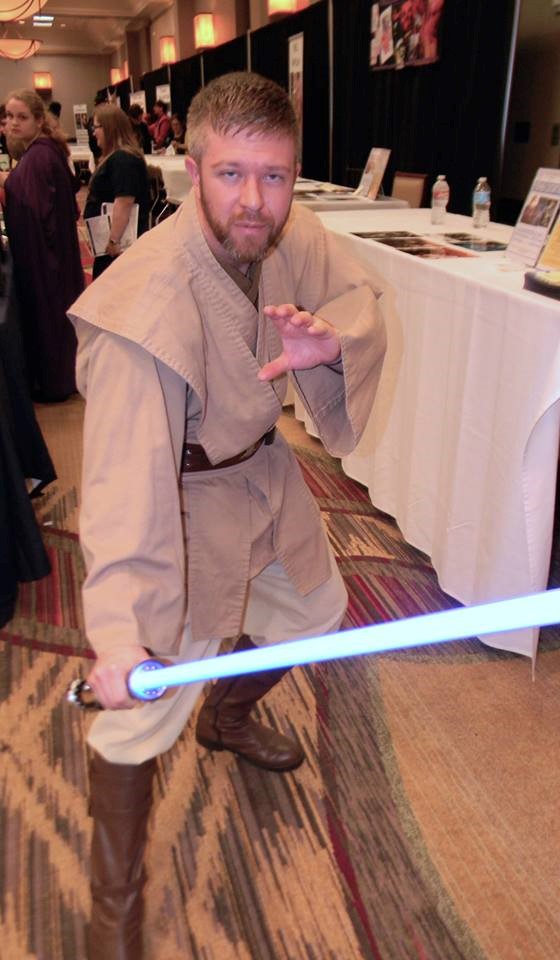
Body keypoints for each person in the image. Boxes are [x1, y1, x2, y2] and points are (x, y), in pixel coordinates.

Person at [68, 71, 386, 960]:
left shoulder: (288, 232)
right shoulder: (147, 305)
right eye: (232, 174)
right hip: (181, 509)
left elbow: (359, 298)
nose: (255, 200)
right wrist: (120, 635)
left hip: (266, 481)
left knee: (317, 611)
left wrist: (334, 343)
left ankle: (229, 716)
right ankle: (113, 923)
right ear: (193, 169)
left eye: (274, 176)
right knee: (137, 716)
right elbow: (124, 484)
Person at [0, 89, 84, 402]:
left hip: (45, 262)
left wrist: (8, 183)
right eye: (9, 116)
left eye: (21, 117)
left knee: (48, 321)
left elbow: (33, 210)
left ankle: (53, 382)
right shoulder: (43, 152)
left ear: (38, 120)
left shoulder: (39, 157)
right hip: (52, 258)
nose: (13, 123)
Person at [83, 102, 150, 280]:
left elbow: (125, 201)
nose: (93, 133)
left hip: (118, 248)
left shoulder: (123, 159)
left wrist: (114, 240)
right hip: (111, 245)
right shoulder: (118, 156)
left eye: (96, 127)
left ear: (109, 128)